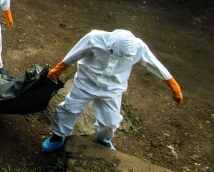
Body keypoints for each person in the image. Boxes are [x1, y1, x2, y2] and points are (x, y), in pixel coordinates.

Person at [41, 29, 183, 153]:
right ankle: (59, 135)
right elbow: (75, 53)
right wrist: (58, 69)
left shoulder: (139, 47)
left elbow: (154, 64)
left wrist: (173, 85)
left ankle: (103, 140)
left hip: (113, 88)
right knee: (70, 108)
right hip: (86, 81)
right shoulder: (94, 38)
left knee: (110, 120)